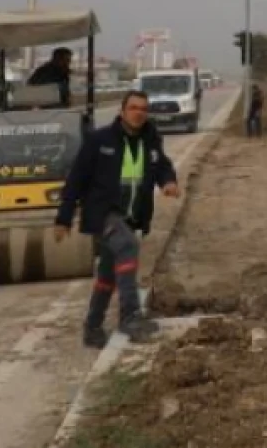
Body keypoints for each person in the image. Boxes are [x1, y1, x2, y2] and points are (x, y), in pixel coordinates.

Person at [54, 90, 180, 347]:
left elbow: (162, 165)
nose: (139, 113)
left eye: (143, 109)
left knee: (108, 275)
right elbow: (77, 178)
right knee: (127, 246)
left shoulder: (150, 139)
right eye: (133, 108)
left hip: (131, 216)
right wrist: (64, 217)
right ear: (122, 111)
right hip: (103, 213)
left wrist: (168, 181)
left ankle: (92, 326)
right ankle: (130, 316)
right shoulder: (99, 140)